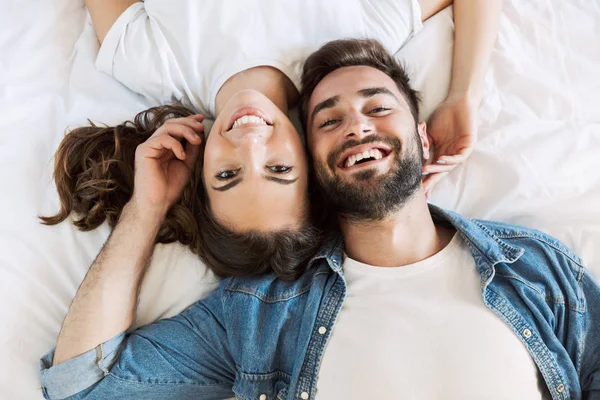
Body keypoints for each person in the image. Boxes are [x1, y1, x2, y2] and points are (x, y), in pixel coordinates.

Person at [40, 38, 600, 400]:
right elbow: (81, 384)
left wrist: (464, 92)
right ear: (311, 169)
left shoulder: (536, 265)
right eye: (327, 122)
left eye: (379, 107)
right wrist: (146, 209)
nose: (357, 124)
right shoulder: (259, 313)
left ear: (421, 139)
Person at [41, 0, 498, 278]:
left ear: (198, 169)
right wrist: (464, 95)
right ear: (310, 157)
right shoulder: (353, 50)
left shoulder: (146, 61)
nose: (251, 142)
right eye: (279, 170)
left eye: (227, 174)